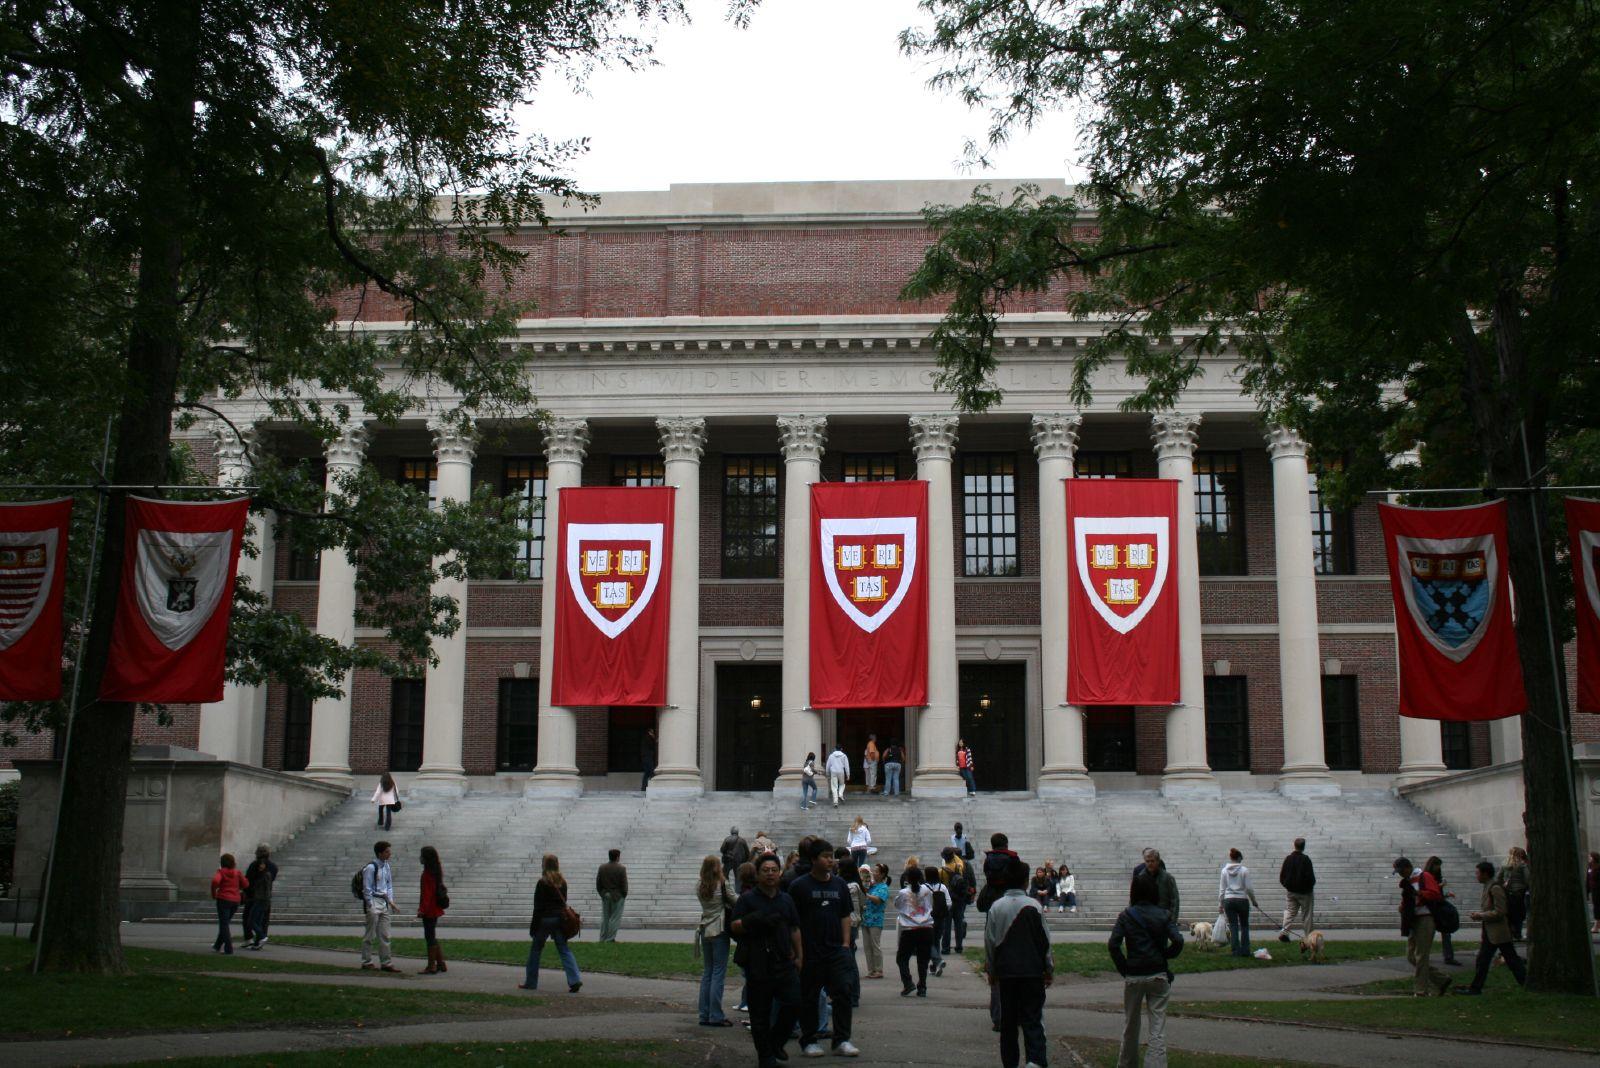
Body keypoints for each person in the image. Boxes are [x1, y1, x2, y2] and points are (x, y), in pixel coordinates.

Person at [786, 837, 859, 1057]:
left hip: (836, 950)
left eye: (831, 857)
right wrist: (797, 953)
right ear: (813, 859)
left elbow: (845, 915)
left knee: (843, 994)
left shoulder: (839, 885)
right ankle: (809, 1040)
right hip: (810, 951)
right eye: (826, 857)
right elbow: (793, 923)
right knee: (809, 996)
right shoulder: (799, 886)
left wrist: (846, 944)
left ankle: (842, 1039)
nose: (831, 861)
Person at [732, 852, 803, 1068]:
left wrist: (799, 955)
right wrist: (752, 920)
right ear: (758, 874)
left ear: (779, 873)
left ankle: (776, 1042)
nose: (770, 874)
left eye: (774, 870)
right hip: (758, 962)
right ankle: (765, 1056)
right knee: (759, 1012)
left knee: (794, 1003)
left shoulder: (786, 899)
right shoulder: (747, 899)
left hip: (783, 960)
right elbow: (734, 927)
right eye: (766, 870)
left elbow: (794, 928)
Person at [1109, 870, 1184, 1068]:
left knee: (1130, 1026)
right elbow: (1178, 940)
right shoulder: (1163, 914)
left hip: (1134, 974)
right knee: (1157, 1028)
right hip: (1158, 974)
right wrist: (1166, 955)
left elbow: (1113, 944)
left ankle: (1126, 1063)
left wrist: (1124, 967)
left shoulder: (1126, 915)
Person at [986, 856, 1053, 1068]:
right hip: (1032, 971)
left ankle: (1011, 1063)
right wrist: (1048, 967)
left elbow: (990, 941)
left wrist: (991, 969)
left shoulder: (997, 907)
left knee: (1008, 1023)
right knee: (1033, 1019)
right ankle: (1035, 1061)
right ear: (1026, 881)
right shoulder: (1034, 906)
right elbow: (1044, 940)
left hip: (1006, 973)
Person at [1460, 860, 1527, 995]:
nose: (1476, 875)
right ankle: (1476, 987)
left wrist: (1481, 915)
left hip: (1499, 932)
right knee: (1485, 960)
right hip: (1491, 931)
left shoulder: (1495, 888)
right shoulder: (1487, 887)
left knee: (1510, 960)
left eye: (1478, 873)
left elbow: (1500, 911)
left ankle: (1526, 982)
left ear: (1485, 874)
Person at [522, 853, 582, 993]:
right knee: (564, 949)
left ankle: (531, 981)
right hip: (559, 919)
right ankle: (574, 979)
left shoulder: (542, 882)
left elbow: (538, 906)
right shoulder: (562, 882)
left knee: (536, 950)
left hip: (544, 919)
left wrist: (534, 926)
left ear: (544, 865)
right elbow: (563, 901)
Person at [1393, 855, 1450, 997]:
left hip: (1425, 918)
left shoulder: (1424, 876)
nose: (1400, 874)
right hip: (1413, 919)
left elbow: (1435, 894)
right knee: (1411, 956)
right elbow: (1408, 899)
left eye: (1401, 871)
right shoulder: (1407, 881)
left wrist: (1419, 894)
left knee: (1421, 956)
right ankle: (1441, 980)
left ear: (1408, 867)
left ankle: (1420, 990)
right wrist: (1403, 906)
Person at [696, 854, 737, 1026]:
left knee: (708, 972)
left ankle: (704, 1014)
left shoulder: (700, 885)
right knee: (718, 973)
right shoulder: (721, 883)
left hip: (705, 927)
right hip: (719, 928)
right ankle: (716, 1015)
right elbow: (734, 900)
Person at [894, 864, 934, 997]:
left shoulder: (904, 892)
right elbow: (931, 905)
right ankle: (922, 987)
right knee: (923, 960)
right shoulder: (927, 890)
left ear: (907, 879)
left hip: (910, 929)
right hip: (926, 928)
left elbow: (897, 905)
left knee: (902, 958)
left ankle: (908, 983)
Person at [360, 840, 399, 972]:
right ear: (380, 853)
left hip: (384, 902)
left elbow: (389, 885)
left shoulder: (386, 866)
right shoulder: (371, 868)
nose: (390, 854)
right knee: (370, 934)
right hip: (374, 901)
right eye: (387, 851)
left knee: (385, 934)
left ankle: (386, 962)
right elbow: (367, 888)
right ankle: (366, 961)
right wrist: (370, 905)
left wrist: (390, 901)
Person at [1218, 848, 1261, 958]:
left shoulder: (1224, 871)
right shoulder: (1244, 870)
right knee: (1244, 926)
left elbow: (1222, 889)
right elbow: (1249, 888)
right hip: (1242, 900)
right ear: (1238, 858)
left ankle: (1235, 951)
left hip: (1228, 900)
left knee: (1233, 926)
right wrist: (1254, 901)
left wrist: (1220, 904)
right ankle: (1245, 950)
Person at [1276, 838, 1316, 943]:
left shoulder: (1288, 859)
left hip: (1291, 892)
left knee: (1290, 912)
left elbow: (1282, 876)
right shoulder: (1306, 859)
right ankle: (1309, 938)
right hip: (1305, 893)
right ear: (1304, 847)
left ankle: (1284, 932)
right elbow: (1311, 877)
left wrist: (1288, 886)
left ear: (1294, 845)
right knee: (1307, 915)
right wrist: (1309, 887)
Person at [1424, 856, 1459, 965]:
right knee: (1430, 933)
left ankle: (1448, 957)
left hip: (1439, 906)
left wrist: (1446, 894)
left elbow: (1438, 895)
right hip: (1431, 908)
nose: (1438, 868)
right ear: (1432, 865)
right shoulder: (1426, 876)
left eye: (1439, 866)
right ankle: (1424, 955)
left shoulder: (1437, 876)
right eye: (1437, 865)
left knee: (1446, 932)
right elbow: (1429, 892)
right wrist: (1440, 886)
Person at [210, 853, 247, 955]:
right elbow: (246, 884)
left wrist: (214, 893)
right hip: (235, 901)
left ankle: (228, 948)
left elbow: (214, 882)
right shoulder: (237, 873)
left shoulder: (221, 872)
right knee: (225, 923)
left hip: (223, 899)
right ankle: (217, 945)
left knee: (224, 924)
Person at [241, 844, 277, 950]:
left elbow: (248, 881)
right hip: (266, 896)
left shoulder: (254, 865)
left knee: (248, 918)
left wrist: (246, 892)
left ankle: (251, 938)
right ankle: (259, 942)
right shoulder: (273, 867)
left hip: (254, 896)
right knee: (263, 920)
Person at [418, 844, 447, 974]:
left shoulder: (427, 875)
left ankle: (432, 965)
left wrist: (421, 910)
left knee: (429, 936)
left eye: (422, 856)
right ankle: (440, 963)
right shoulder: (436, 871)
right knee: (432, 935)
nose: (420, 858)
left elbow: (427, 894)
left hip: (429, 910)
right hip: (435, 908)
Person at [941, 847, 972, 952]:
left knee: (947, 925)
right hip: (959, 898)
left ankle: (946, 947)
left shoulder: (941, 870)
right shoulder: (959, 866)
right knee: (958, 923)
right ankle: (959, 946)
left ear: (944, 857)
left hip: (947, 899)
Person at [860, 866, 888, 978]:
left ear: (882, 874)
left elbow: (878, 900)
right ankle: (871, 970)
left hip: (876, 919)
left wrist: (866, 894)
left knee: (875, 945)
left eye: (876, 872)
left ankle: (879, 970)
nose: (873, 873)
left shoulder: (883, 887)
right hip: (865, 918)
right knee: (867, 946)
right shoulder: (870, 885)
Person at [1497, 846, 1530, 940]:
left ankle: (1509, 933)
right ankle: (1517, 934)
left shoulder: (1504, 864)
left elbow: (1499, 877)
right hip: (1519, 892)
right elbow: (1528, 878)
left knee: (1510, 913)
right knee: (1519, 914)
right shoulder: (1522, 865)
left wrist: (1502, 886)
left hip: (1507, 892)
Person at [596, 847, 629, 943]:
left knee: (605, 918)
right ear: (617, 857)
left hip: (606, 895)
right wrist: (623, 895)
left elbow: (598, 883)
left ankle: (603, 938)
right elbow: (624, 884)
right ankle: (610, 939)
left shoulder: (602, 867)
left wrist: (602, 894)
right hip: (617, 896)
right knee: (615, 918)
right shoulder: (621, 868)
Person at [925, 864, 952, 977]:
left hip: (928, 919)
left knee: (927, 942)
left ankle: (937, 961)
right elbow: (949, 903)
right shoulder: (943, 887)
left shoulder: (924, 888)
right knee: (936, 941)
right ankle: (934, 967)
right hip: (940, 918)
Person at [640, 728, 658, 792]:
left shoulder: (646, 738)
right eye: (652, 732)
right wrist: (654, 740)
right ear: (649, 732)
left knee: (647, 773)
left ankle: (643, 788)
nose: (653, 734)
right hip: (647, 757)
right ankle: (653, 787)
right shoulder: (648, 738)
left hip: (645, 757)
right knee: (651, 772)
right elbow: (651, 745)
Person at [1588, 851, 1600, 934]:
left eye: (1590, 857)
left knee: (1597, 907)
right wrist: (1587, 891)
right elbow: (1587, 879)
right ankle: (1597, 925)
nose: (1589, 858)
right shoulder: (1590, 867)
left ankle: (1596, 926)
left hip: (1598, 890)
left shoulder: (1598, 868)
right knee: (1596, 907)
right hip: (1593, 890)